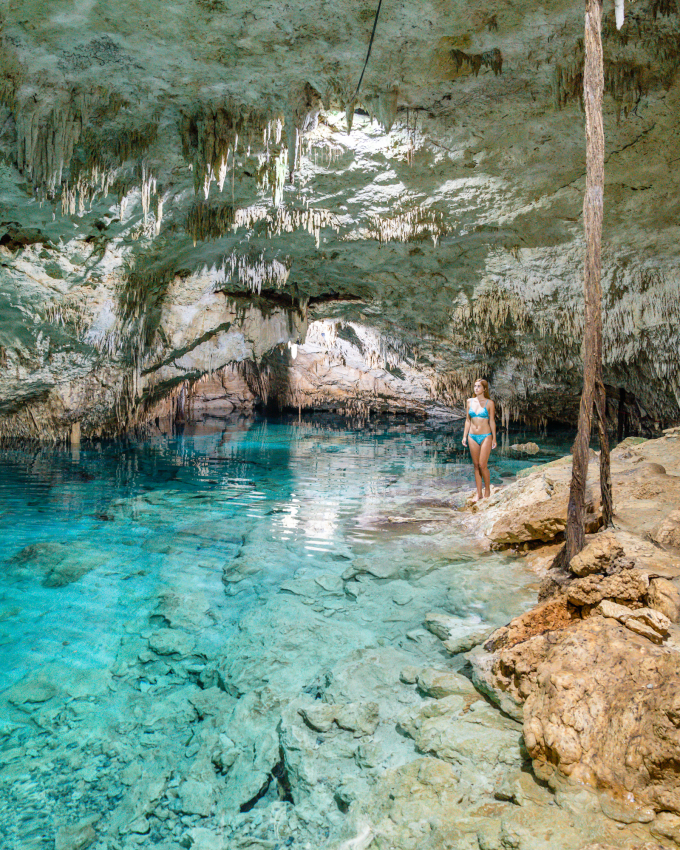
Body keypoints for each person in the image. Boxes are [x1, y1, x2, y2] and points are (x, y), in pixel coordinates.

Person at [462, 378, 497, 502]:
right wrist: (464, 436)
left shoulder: (489, 403)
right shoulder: (469, 401)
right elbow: (467, 420)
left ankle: (487, 491)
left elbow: (492, 421)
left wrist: (494, 438)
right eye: (475, 386)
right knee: (476, 466)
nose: (476, 388)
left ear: (484, 389)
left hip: (486, 436)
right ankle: (479, 493)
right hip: (472, 436)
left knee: (483, 465)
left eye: (479, 386)